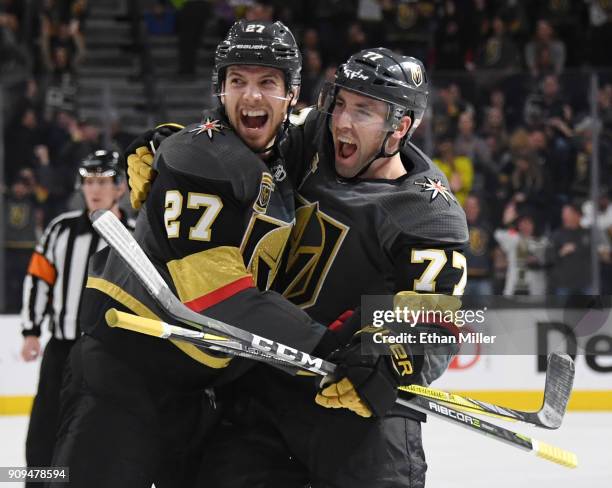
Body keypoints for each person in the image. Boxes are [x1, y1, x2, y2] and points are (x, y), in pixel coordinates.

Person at [128, 47, 468, 488]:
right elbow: (244, 136)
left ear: (399, 127)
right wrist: (178, 148)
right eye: (340, 102)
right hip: (264, 378)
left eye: (363, 111)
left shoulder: (428, 213)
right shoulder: (312, 136)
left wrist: (388, 357)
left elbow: (434, 322)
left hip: (352, 394)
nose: (342, 121)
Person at [50, 21, 335, 488]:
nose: (252, 97)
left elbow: (367, 128)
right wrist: (328, 347)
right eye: (237, 81)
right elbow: (218, 297)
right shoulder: (200, 160)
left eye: (268, 82)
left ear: (292, 93)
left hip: (195, 388)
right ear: (219, 90)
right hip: (125, 374)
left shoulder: (285, 149)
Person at [20, 151, 132, 486]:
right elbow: (38, 279)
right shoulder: (60, 230)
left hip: (111, 355)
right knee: (43, 432)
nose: (94, 189)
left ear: (120, 187)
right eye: (88, 182)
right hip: (61, 350)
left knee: (104, 433)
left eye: (101, 181)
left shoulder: (135, 234)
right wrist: (31, 330)